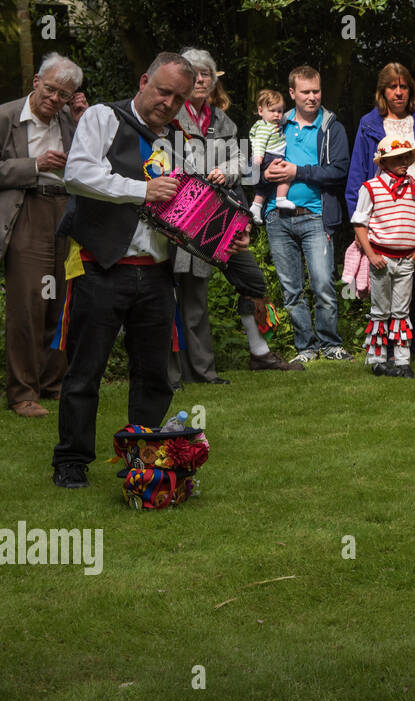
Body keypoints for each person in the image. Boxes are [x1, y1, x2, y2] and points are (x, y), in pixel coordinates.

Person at [51, 53, 248, 488]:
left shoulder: (176, 141)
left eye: (178, 98)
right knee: (86, 371)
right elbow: (78, 174)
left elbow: (188, 208)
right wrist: (142, 190)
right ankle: (71, 461)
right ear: (144, 81)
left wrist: (226, 234)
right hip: (100, 266)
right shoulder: (103, 116)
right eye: (163, 91)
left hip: (157, 272)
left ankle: (140, 457)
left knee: (154, 375)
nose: (169, 103)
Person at [168, 47, 292, 386]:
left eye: (207, 73)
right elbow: (162, 163)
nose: (202, 78)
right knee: (169, 299)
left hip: (217, 219)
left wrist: (225, 170)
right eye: (194, 72)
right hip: (175, 218)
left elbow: (244, 164)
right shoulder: (170, 115)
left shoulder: (223, 121)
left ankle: (209, 371)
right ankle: (172, 375)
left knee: (202, 296)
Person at [346, 62, 415, 368]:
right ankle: (384, 351)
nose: (398, 92)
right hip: (382, 220)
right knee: (383, 290)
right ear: (382, 91)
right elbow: (357, 177)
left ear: (411, 90)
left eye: (403, 86)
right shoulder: (370, 124)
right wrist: (359, 224)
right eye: (391, 87)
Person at [0, 52, 79, 418]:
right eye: (50, 90)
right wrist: (34, 165)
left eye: (63, 94)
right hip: (27, 210)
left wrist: (80, 121)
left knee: (60, 301)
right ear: (35, 81)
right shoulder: (6, 116)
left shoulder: (68, 117)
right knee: (28, 303)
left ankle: (53, 384)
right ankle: (21, 392)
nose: (54, 99)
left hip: (64, 211)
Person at [264, 65, 353, 365]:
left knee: (323, 284)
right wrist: (263, 171)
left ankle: (330, 343)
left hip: (316, 216)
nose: (312, 97)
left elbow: (340, 171)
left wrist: (297, 171)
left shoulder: (332, 128)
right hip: (277, 217)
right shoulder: (275, 124)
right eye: (305, 92)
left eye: (316, 91)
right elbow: (253, 167)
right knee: (291, 289)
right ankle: (306, 346)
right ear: (292, 93)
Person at [352, 136, 415, 379]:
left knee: (401, 310)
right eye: (398, 158)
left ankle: (402, 359)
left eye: (406, 157)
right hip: (381, 259)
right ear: (384, 162)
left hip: (407, 259)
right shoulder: (371, 187)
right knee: (380, 310)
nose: (404, 162)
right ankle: (377, 359)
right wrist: (371, 253)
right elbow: (360, 222)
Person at [248, 88, 290, 223]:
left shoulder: (274, 123)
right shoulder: (264, 127)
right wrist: (258, 157)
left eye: (279, 111)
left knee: (267, 186)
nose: (277, 115)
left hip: (271, 155)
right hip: (267, 156)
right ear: (261, 111)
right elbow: (259, 142)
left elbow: (285, 119)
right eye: (272, 111)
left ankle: (256, 206)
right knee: (285, 174)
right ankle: (281, 199)